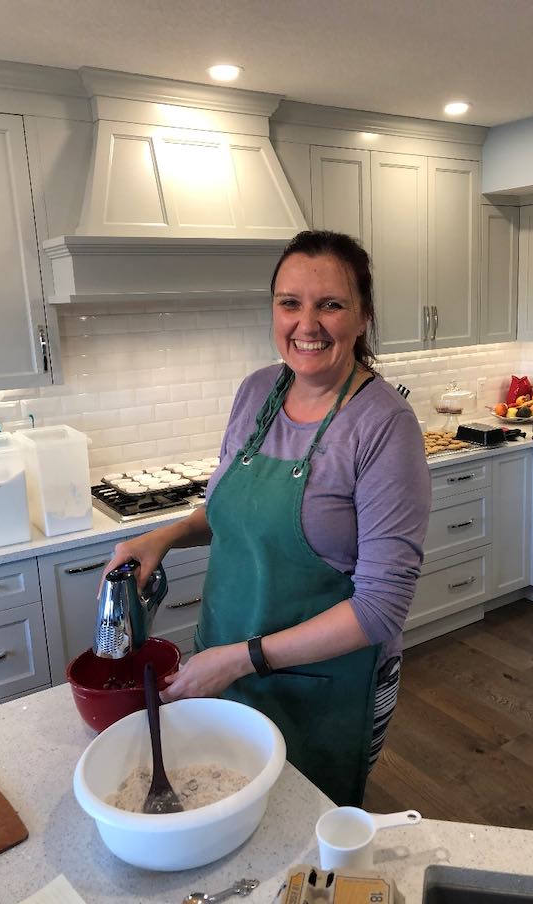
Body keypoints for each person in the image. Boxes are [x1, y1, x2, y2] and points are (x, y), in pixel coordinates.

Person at [103, 230, 431, 806]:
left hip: (323, 686)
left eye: (330, 303)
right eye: (290, 303)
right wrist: (168, 533)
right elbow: (233, 511)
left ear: (363, 317)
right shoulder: (257, 391)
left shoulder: (384, 427)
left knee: (300, 833)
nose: (307, 323)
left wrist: (241, 659)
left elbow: (380, 609)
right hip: (223, 663)